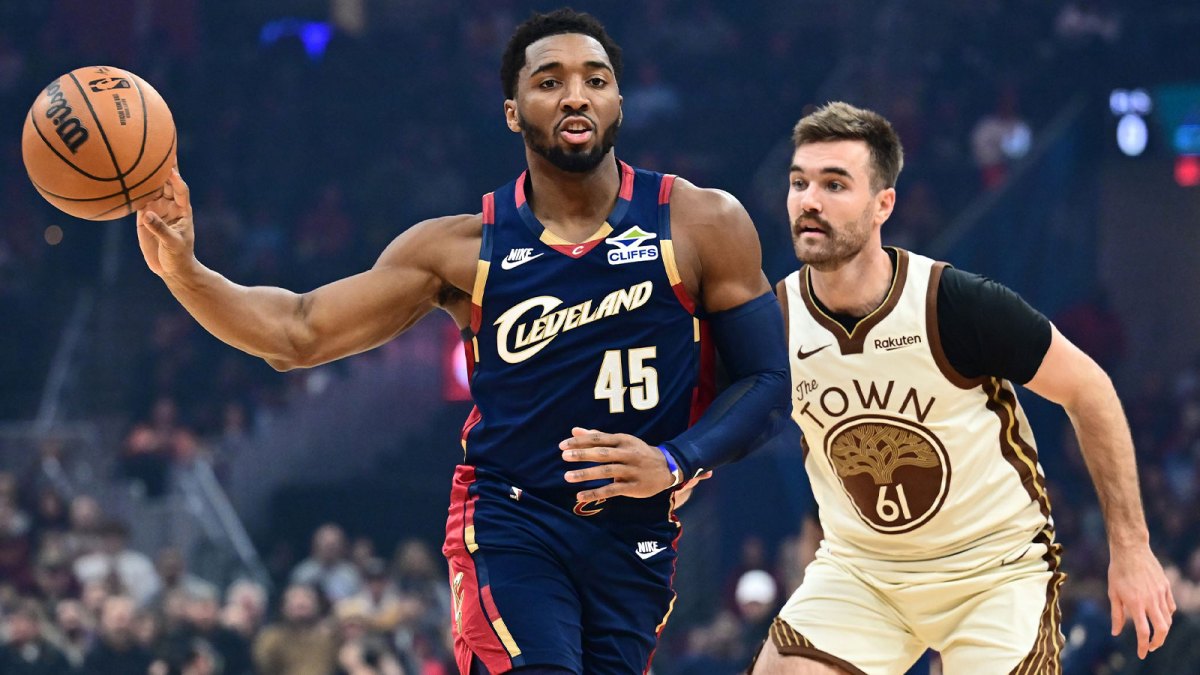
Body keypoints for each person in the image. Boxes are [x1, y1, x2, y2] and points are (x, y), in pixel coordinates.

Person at [136, 8, 789, 674]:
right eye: (550, 80)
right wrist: (187, 274)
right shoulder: (460, 248)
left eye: (596, 79)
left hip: (635, 534)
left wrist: (677, 460)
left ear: (619, 101)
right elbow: (297, 332)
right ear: (513, 111)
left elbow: (768, 383)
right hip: (511, 520)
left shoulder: (702, 222)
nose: (575, 94)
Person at [751, 101, 1175, 674]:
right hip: (864, 573)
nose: (809, 200)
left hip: (992, 573)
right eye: (799, 182)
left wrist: (1130, 548)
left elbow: (1089, 389)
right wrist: (676, 466)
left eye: (834, 184)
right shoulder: (774, 317)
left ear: (883, 205)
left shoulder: (955, 303)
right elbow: (720, 410)